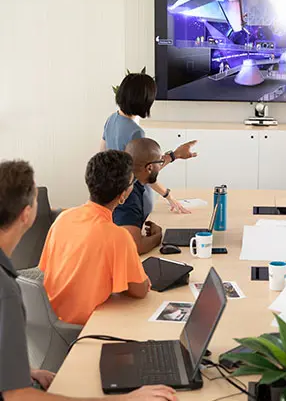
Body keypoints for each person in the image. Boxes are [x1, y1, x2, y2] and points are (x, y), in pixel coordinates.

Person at [0, 160, 177, 401]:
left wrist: (24, 372)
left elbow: (45, 270)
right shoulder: (6, 291)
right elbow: (17, 397)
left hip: (52, 325)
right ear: (27, 214)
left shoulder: (62, 219)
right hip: (83, 331)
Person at [39, 151, 151, 326]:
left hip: (51, 317)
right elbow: (139, 290)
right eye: (132, 183)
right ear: (123, 195)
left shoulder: (63, 218)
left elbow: (47, 268)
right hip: (84, 327)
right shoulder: (118, 236)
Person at [101, 72, 197, 215]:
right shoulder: (135, 132)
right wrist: (169, 196)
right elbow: (146, 174)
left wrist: (173, 155)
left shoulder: (111, 120)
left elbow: (102, 156)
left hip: (116, 198)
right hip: (133, 200)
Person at [113, 138, 165, 254]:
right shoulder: (129, 195)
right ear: (149, 168)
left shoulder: (129, 184)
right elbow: (135, 247)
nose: (161, 166)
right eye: (160, 162)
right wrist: (158, 236)